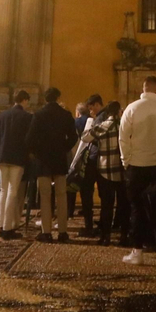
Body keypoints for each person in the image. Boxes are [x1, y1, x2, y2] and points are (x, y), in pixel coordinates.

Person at [119, 75, 156, 265]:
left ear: (142, 89)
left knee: (137, 208)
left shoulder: (131, 108)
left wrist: (126, 160)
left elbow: (123, 137)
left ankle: (137, 251)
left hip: (137, 164)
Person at [26, 87, 78, 242]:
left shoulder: (39, 115)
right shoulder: (65, 114)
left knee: (45, 196)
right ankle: (63, 232)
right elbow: (74, 137)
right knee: (62, 196)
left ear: (45, 98)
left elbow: (29, 139)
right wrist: (64, 148)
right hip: (59, 159)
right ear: (57, 97)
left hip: (43, 161)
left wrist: (37, 152)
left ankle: (46, 232)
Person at [72, 99, 125, 244]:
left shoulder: (104, 125)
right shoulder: (124, 125)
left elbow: (85, 137)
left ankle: (106, 236)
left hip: (105, 169)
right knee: (123, 203)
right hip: (122, 169)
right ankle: (124, 236)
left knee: (106, 205)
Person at [0, 90, 33, 239]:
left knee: (3, 190)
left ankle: (0, 224)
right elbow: (29, 138)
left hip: (3, 157)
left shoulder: (2, 116)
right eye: (27, 101)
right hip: (18, 157)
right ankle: (8, 227)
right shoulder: (26, 117)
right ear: (24, 100)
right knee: (13, 191)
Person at [72, 94, 105, 232]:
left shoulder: (100, 118)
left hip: (95, 158)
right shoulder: (103, 117)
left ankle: (89, 225)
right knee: (103, 194)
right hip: (99, 159)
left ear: (97, 105)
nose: (90, 112)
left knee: (87, 191)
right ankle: (102, 224)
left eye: (92, 109)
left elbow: (88, 137)